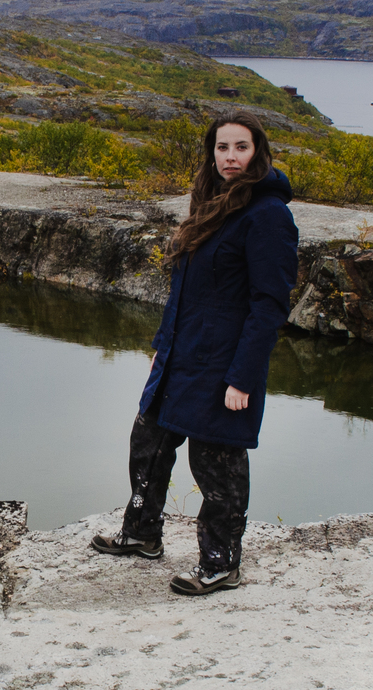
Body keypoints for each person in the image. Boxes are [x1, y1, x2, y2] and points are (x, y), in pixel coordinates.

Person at [92, 112, 299, 594]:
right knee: (148, 445)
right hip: (181, 356)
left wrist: (243, 378)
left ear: (258, 152)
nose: (231, 157)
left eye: (241, 147)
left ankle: (221, 562)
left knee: (217, 466)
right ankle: (141, 535)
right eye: (222, 147)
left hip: (223, 364)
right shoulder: (209, 203)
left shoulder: (268, 215)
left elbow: (269, 306)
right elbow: (182, 290)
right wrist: (161, 347)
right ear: (212, 153)